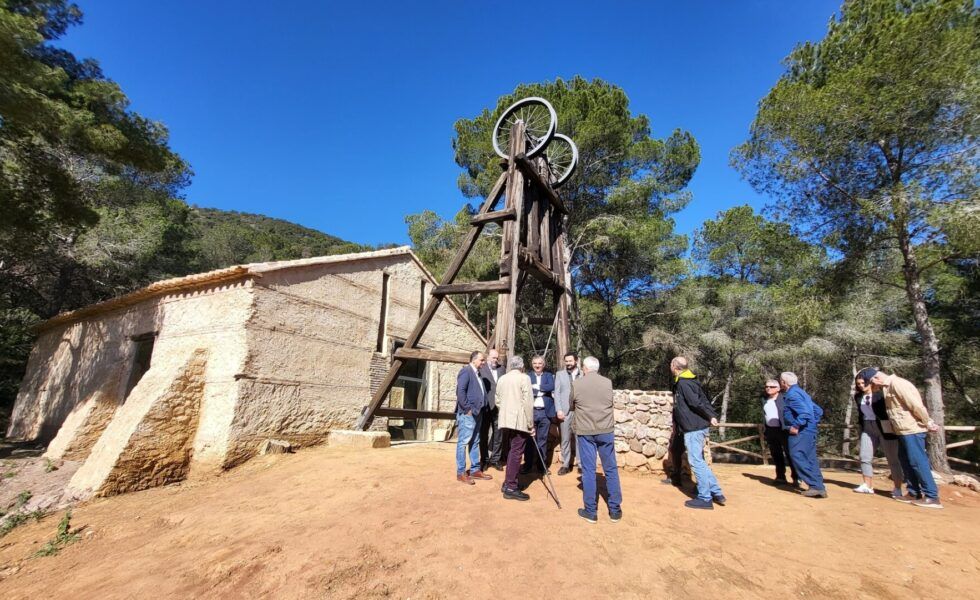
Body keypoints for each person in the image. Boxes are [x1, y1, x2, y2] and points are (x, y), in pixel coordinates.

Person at [869, 370, 943, 509]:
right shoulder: (887, 387)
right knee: (906, 461)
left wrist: (927, 421)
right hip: (901, 430)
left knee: (917, 461)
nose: (874, 387)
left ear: (876, 378)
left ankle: (932, 496)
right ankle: (913, 492)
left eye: (872, 383)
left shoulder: (898, 384)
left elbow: (915, 405)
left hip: (912, 429)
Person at [571, 356, 623, 523]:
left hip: (586, 430)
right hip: (606, 429)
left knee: (588, 470)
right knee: (611, 469)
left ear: (585, 368)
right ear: (597, 368)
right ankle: (615, 510)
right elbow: (610, 402)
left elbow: (571, 405)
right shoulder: (607, 382)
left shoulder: (577, 384)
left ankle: (591, 511)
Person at [670, 357, 725, 510]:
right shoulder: (691, 380)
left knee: (695, 461)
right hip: (696, 426)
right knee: (699, 460)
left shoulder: (683, 383)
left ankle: (705, 497)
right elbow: (703, 400)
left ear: (674, 366)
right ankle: (716, 491)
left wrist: (710, 415)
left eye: (671, 364)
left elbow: (695, 402)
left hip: (693, 427)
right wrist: (711, 415)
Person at [852, 367, 905, 498]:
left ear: (870, 382)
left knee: (892, 459)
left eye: (863, 382)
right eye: (858, 384)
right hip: (867, 427)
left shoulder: (881, 395)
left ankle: (898, 488)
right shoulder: (858, 396)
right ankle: (867, 485)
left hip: (885, 428)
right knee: (864, 457)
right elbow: (860, 414)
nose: (861, 385)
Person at [780, 372, 827, 498]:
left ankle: (815, 485)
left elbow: (804, 413)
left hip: (801, 432)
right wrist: (812, 424)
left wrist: (796, 426)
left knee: (797, 455)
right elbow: (818, 410)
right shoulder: (802, 393)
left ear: (784, 382)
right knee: (810, 458)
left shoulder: (792, 395)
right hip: (808, 430)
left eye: (781, 381)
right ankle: (818, 486)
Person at [495, 355, 535, 501]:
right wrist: (531, 424)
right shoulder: (524, 378)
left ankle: (508, 482)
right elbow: (528, 403)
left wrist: (506, 411)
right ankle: (511, 487)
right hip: (519, 421)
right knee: (516, 452)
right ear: (522, 366)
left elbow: (497, 400)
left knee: (512, 451)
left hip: (505, 420)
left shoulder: (502, 378)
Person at [455, 351, 491, 485]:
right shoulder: (466, 371)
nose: (483, 363)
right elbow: (460, 391)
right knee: (463, 442)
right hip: (468, 414)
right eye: (482, 360)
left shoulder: (477, 373)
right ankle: (461, 472)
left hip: (478, 413)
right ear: (474, 360)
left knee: (475, 441)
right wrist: (467, 409)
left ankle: (475, 470)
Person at [761, 379, 798, 487]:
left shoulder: (785, 398)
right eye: (767, 386)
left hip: (784, 430)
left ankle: (796, 478)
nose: (768, 388)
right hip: (771, 430)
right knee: (776, 454)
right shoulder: (764, 399)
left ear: (778, 388)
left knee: (790, 454)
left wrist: (795, 426)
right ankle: (780, 477)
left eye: (771, 387)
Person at [523, 355, 556, 474]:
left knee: (543, 440)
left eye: (540, 363)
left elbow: (551, 386)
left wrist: (537, 387)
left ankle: (542, 467)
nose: (537, 365)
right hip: (531, 412)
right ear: (532, 365)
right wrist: (543, 390)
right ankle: (527, 466)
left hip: (545, 413)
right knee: (529, 440)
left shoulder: (548, 375)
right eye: (535, 363)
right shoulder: (527, 376)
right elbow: (527, 390)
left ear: (543, 365)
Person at [553, 352, 582, 475]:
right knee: (565, 438)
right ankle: (565, 464)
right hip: (565, 411)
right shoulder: (560, 374)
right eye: (566, 361)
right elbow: (557, 393)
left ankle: (581, 464)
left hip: (580, 412)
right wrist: (559, 409)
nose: (568, 363)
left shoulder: (583, 374)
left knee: (580, 438)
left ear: (576, 361)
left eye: (570, 361)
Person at [479, 349, 507, 471]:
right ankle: (484, 460)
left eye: (497, 358)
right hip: (486, 407)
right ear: (488, 357)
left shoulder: (502, 369)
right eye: (493, 357)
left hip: (499, 407)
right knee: (483, 434)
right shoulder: (482, 368)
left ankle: (495, 459)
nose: (495, 360)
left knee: (498, 434)